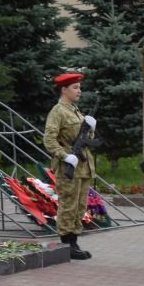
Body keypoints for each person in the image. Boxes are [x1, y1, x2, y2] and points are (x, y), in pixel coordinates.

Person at [42, 72, 95, 260]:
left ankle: (74, 243)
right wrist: (65, 156)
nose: (79, 91)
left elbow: (85, 141)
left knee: (80, 207)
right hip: (69, 168)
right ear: (64, 90)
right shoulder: (58, 111)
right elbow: (49, 140)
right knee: (68, 206)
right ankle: (67, 245)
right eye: (75, 87)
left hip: (83, 167)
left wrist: (91, 129)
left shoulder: (75, 110)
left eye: (79, 87)